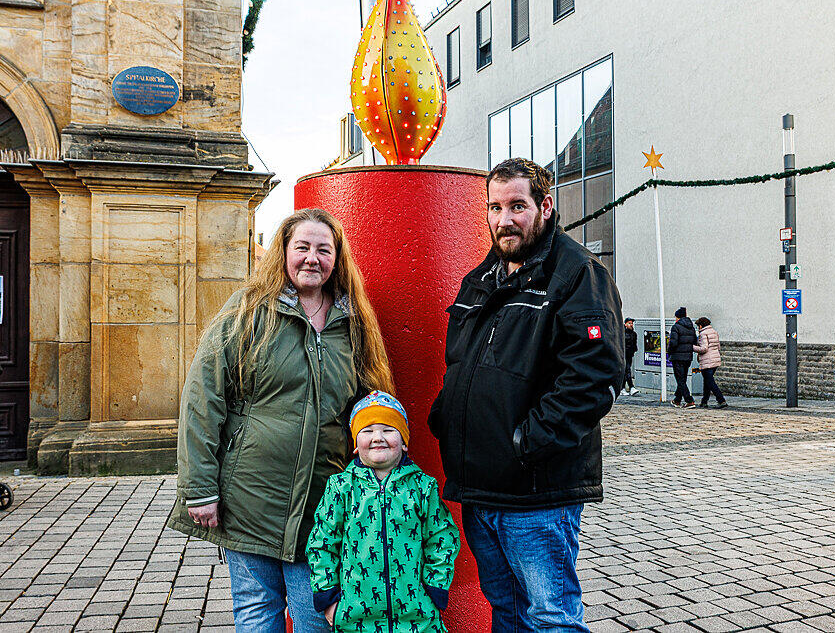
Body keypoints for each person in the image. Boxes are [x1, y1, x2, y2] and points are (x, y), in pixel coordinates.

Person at [166, 208, 395, 632]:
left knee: (316, 617)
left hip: (322, 503)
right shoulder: (249, 310)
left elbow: (373, 407)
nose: (313, 258)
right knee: (257, 611)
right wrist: (198, 488)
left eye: (324, 250)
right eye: (302, 247)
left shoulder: (354, 321)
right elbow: (203, 397)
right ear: (284, 252)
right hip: (251, 496)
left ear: (337, 258)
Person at [428, 158, 625, 632]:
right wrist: (447, 419)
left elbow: (595, 374)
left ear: (545, 206)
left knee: (550, 616)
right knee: (506, 610)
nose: (504, 219)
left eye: (517, 205)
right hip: (481, 486)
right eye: (495, 207)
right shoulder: (480, 279)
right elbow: (461, 365)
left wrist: (526, 442)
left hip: (537, 491)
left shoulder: (578, 274)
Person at [307, 391, 460, 633]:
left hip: (417, 617)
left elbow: (442, 538)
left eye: (389, 430)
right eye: (367, 431)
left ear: (405, 441)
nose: (378, 437)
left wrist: (435, 588)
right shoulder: (341, 487)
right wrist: (329, 600)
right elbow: (321, 543)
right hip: (355, 617)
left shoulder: (422, 487)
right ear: (356, 445)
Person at [693, 317, 727, 408]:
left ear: (700, 326)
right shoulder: (714, 332)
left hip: (707, 360)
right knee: (707, 381)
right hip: (715, 359)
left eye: (698, 326)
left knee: (710, 382)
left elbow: (704, 348)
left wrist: (692, 347)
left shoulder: (703, 334)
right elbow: (718, 346)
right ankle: (704, 401)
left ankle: (721, 400)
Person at [669, 307, 697, 408]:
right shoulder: (691, 327)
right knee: (682, 379)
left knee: (680, 379)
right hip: (688, 357)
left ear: (678, 317)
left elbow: (673, 342)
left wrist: (670, 352)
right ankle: (677, 400)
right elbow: (695, 341)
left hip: (677, 356)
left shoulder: (676, 327)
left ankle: (689, 400)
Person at [621, 317, 639, 395]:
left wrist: (634, 350)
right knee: (627, 370)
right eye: (629, 323)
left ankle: (622, 388)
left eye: (631, 323)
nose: (631, 325)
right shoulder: (622, 333)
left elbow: (634, 344)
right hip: (623, 354)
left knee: (626, 371)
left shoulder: (634, 334)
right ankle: (631, 387)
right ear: (625, 324)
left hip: (630, 355)